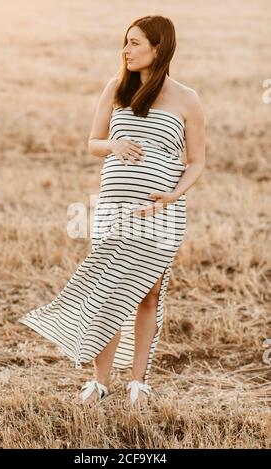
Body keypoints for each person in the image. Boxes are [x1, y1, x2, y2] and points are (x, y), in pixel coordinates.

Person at [18, 14, 206, 410]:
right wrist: (114, 146)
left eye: (135, 43)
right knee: (107, 291)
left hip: (159, 214)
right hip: (111, 209)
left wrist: (173, 196)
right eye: (125, 42)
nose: (126, 50)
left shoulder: (187, 99)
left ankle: (139, 382)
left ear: (159, 47)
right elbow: (93, 142)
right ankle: (100, 381)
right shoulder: (116, 87)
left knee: (148, 296)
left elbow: (197, 162)